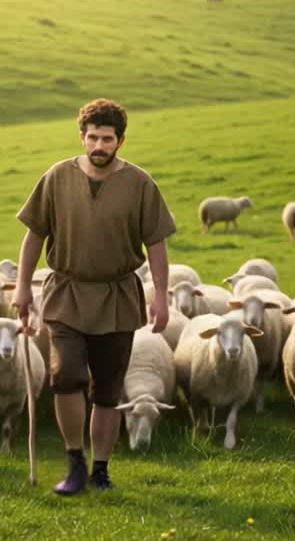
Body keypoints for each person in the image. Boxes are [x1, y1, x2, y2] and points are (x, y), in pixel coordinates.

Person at [14, 98, 176, 495]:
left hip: (117, 294)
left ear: (120, 141)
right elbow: (34, 235)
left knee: (107, 389)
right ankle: (75, 463)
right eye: (92, 138)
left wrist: (161, 297)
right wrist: (21, 287)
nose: (99, 146)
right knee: (65, 375)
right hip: (66, 292)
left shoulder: (140, 184)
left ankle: (100, 469)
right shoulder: (57, 177)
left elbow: (156, 244)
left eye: (107, 139)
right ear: (82, 137)